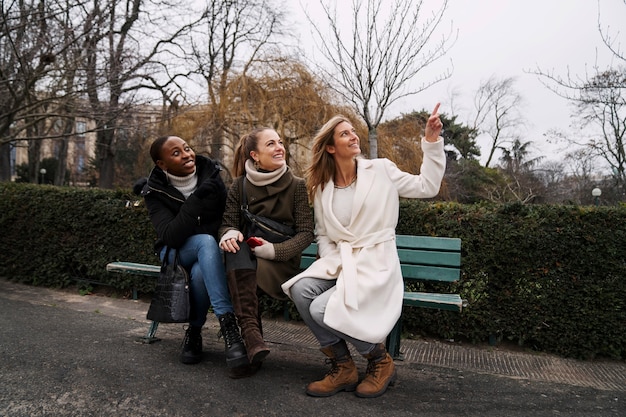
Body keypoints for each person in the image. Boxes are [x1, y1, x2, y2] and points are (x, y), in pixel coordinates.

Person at [281, 104, 446, 398]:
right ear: (330, 148)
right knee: (301, 289)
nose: (354, 136)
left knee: (321, 308)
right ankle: (343, 366)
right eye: (345, 134)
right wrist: (332, 261)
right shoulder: (322, 188)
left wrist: (431, 142)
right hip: (342, 262)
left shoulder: (381, 170)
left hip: (376, 263)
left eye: (353, 131)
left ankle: (379, 360)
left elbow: (427, 186)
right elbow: (323, 234)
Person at [140, 135, 247, 369]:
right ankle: (228, 325)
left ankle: (194, 332)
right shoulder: (154, 192)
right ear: (162, 165)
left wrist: (194, 225)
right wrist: (197, 199)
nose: (187, 155)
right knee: (205, 242)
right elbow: (171, 236)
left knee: (200, 272)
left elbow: (225, 220)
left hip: (207, 255)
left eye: (187, 148)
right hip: (176, 253)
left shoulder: (211, 176)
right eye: (176, 153)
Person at [219, 127, 315, 375]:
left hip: (280, 263)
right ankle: (253, 341)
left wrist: (274, 251)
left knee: (241, 271)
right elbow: (228, 223)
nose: (279, 147)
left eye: (280, 142)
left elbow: (306, 233)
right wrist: (228, 232)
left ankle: (250, 340)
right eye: (271, 144)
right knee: (235, 247)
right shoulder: (239, 185)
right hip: (246, 258)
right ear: (255, 155)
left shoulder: (297, 186)